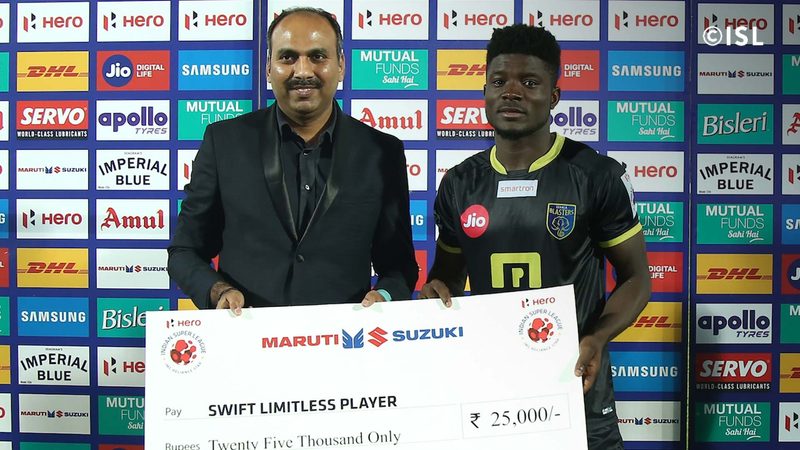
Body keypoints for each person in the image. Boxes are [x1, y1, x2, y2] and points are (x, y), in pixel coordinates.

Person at [420, 24, 651, 449]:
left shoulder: (596, 175)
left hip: (577, 391)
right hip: (490, 394)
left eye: (529, 82)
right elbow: (447, 277)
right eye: (499, 82)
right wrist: (436, 293)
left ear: (554, 96)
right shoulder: (458, 183)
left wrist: (597, 337)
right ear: (484, 92)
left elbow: (637, 278)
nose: (511, 92)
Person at [168, 7, 418, 313]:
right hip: (246, 336)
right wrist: (219, 291)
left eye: (317, 56)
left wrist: (386, 296)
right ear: (268, 68)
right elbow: (185, 251)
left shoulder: (382, 152)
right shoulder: (224, 142)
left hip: (343, 338)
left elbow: (399, 266)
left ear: (341, 65)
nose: (302, 71)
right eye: (287, 57)